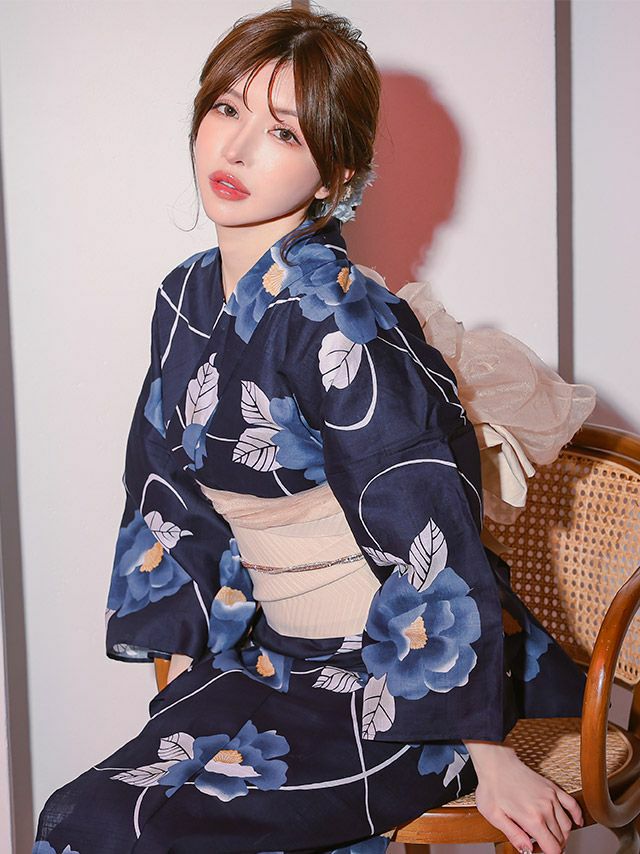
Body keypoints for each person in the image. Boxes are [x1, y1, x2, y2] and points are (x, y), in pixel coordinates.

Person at [33, 5, 591, 853]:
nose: (237, 148)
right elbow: (165, 492)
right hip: (267, 657)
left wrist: (487, 751)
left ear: (336, 175)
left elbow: (426, 517)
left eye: (284, 133)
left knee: (111, 830)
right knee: (75, 819)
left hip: (396, 684)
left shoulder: (339, 314)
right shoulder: (183, 299)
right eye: (226, 109)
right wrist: (185, 678)